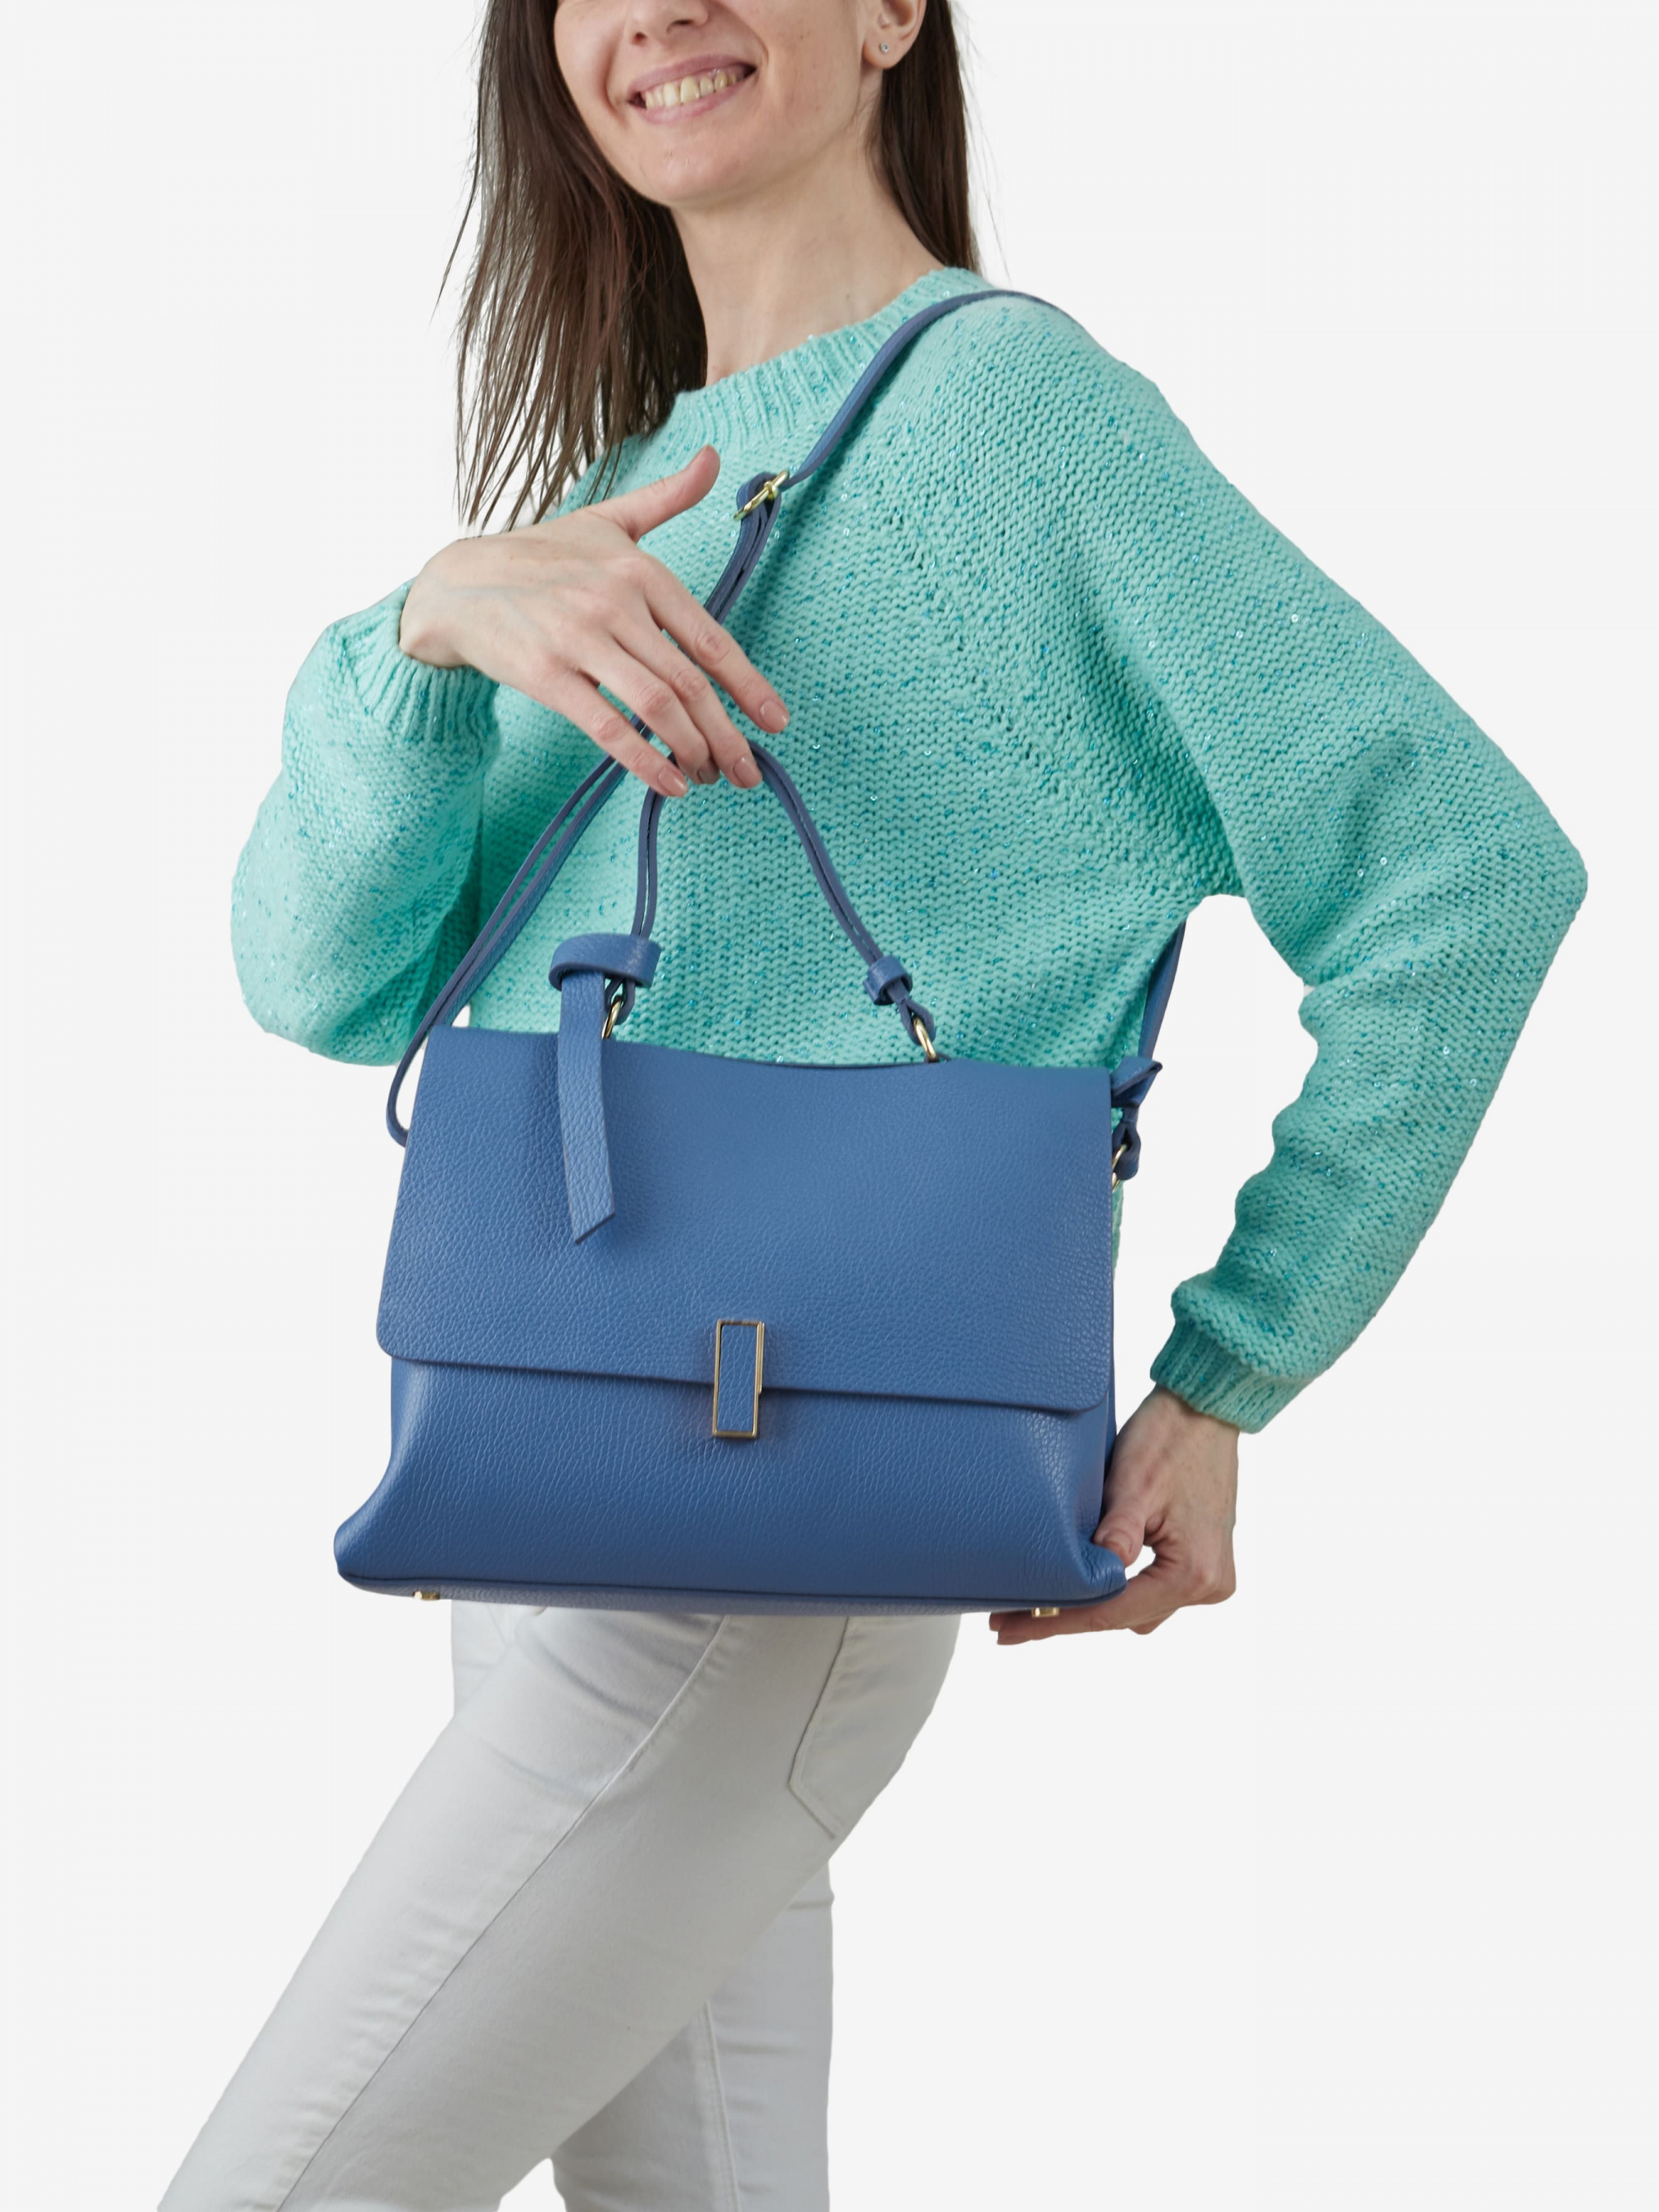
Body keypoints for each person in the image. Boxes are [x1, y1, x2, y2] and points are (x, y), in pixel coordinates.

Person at [163, 2, 1586, 2205]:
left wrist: (1237, 1362)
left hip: (771, 1529)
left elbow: (1463, 870)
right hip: (541, 1475)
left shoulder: (1016, 419)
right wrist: (423, 625)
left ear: (890, 10)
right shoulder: (626, 488)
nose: (657, 9)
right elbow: (323, 981)